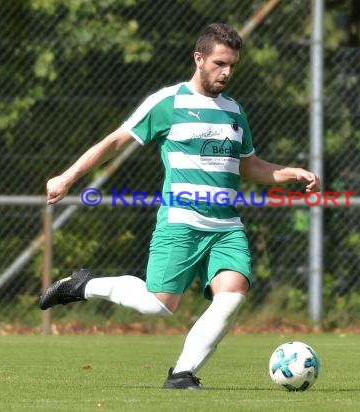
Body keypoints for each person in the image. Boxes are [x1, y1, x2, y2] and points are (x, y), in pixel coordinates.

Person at [39, 22, 321, 390]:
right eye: (220, 63)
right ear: (199, 58)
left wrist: (290, 173)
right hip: (181, 222)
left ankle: (182, 374)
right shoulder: (168, 102)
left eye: (233, 65)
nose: (227, 72)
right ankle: (84, 286)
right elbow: (114, 142)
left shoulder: (234, 110)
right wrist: (67, 176)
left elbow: (249, 165)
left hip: (225, 226)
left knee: (232, 295)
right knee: (158, 305)